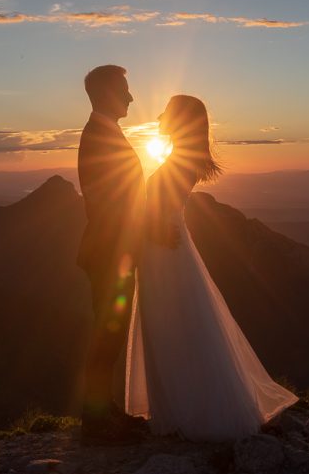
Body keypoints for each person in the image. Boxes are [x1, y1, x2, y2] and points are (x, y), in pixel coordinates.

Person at [125, 95, 299, 441]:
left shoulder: (180, 161)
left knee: (174, 325)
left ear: (179, 120)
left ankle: (189, 412)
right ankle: (181, 406)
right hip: (165, 248)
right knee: (178, 325)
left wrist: (140, 225)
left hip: (164, 249)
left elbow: (162, 210)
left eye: (167, 113)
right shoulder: (183, 158)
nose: (159, 117)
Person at [77, 65, 176, 444]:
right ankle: (97, 424)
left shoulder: (103, 131)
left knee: (109, 337)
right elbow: (111, 204)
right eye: (125, 90)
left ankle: (104, 414)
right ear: (106, 93)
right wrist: (148, 230)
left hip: (109, 251)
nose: (132, 97)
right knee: (106, 338)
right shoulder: (100, 135)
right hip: (108, 252)